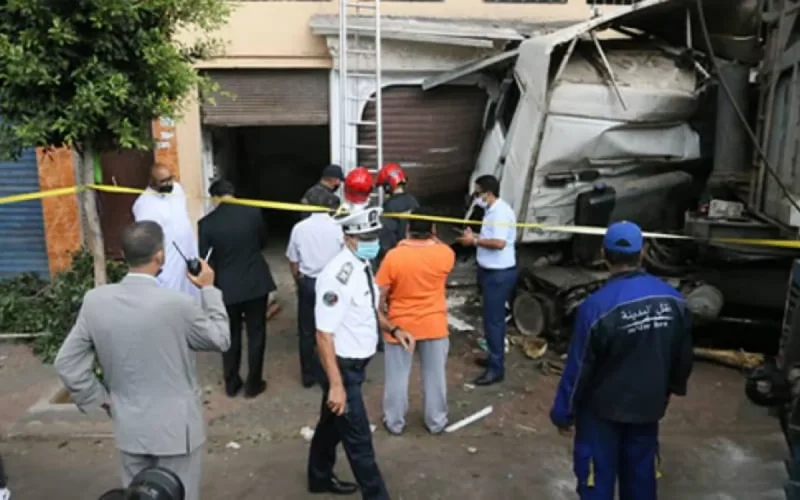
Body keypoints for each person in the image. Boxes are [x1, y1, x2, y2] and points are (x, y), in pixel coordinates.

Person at [54, 221, 230, 500]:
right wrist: (208, 288)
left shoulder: (96, 300)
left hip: (129, 427)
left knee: (135, 496)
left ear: (124, 255)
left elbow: (66, 363)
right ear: (160, 255)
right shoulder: (177, 303)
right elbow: (220, 339)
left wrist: (101, 398)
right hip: (177, 431)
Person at [549, 221, 693, 500]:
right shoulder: (674, 301)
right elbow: (683, 356)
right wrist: (670, 389)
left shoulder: (596, 307)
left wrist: (563, 413)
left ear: (604, 255)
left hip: (601, 414)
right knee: (641, 480)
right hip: (647, 409)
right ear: (643, 253)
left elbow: (578, 370)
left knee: (596, 483)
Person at [307, 206, 415, 499]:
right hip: (341, 367)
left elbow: (367, 310)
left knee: (330, 426)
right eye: (364, 236)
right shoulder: (336, 277)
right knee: (359, 442)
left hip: (355, 364)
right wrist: (337, 385)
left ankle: (318, 477)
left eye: (373, 235)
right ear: (347, 238)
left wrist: (393, 329)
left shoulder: (362, 265)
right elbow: (323, 334)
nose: (372, 241)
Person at [376, 207, 455, 435]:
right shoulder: (446, 254)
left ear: (408, 229)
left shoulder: (394, 257)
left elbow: (381, 292)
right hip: (435, 324)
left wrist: (382, 316)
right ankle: (436, 421)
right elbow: (439, 245)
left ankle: (395, 422)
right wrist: (432, 235)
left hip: (400, 326)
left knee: (397, 378)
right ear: (433, 229)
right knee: (435, 376)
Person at [199, 179, 276, 398]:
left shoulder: (207, 223)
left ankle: (232, 383)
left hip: (226, 286)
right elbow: (263, 242)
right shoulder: (253, 213)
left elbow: (206, 259)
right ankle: (254, 384)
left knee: (229, 334)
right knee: (256, 333)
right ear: (233, 193)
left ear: (214, 198)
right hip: (255, 282)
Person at [456, 174, 518, 386]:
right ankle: (494, 357)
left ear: (488, 193)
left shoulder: (500, 212)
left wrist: (474, 240)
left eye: (478, 193)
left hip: (498, 274)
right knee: (490, 318)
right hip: (489, 271)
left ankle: (496, 368)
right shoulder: (491, 211)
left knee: (494, 321)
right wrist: (474, 238)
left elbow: (499, 243)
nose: (476, 197)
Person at [286, 189, 344, 388]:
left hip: (309, 283)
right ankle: (333, 372)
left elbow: (293, 259)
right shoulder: (338, 228)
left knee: (306, 330)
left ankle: (308, 375)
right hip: (331, 285)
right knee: (333, 326)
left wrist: (298, 280)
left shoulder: (299, 228)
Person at [132, 163, 199, 300]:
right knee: (171, 297)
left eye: (170, 178)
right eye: (163, 181)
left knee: (193, 294)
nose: (169, 183)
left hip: (188, 253)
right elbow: (146, 238)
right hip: (168, 261)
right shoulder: (144, 204)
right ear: (152, 181)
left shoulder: (177, 190)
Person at [375, 163, 419, 265]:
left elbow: (388, 234)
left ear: (387, 186)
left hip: (398, 252)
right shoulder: (413, 200)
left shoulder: (389, 206)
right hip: (415, 249)